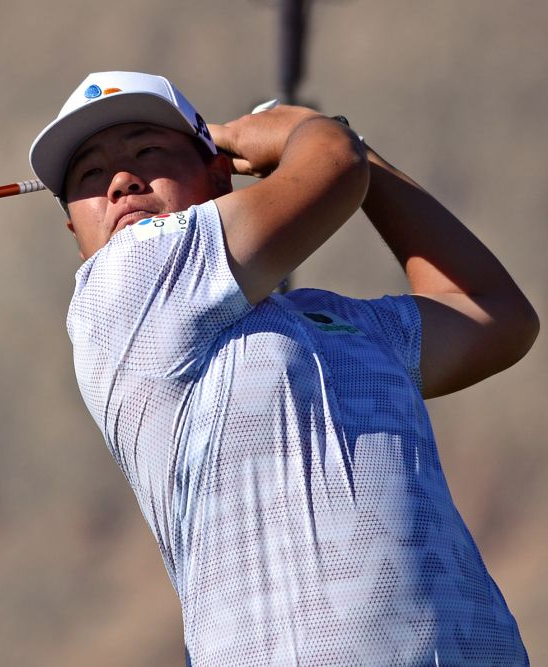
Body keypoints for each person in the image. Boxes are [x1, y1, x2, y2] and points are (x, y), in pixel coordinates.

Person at [29, 71, 538, 666]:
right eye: (89, 174)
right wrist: (300, 132)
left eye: (148, 151)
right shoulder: (123, 286)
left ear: (218, 175)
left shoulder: (336, 322)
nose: (120, 181)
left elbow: (496, 315)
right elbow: (333, 169)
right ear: (75, 230)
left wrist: (352, 149)